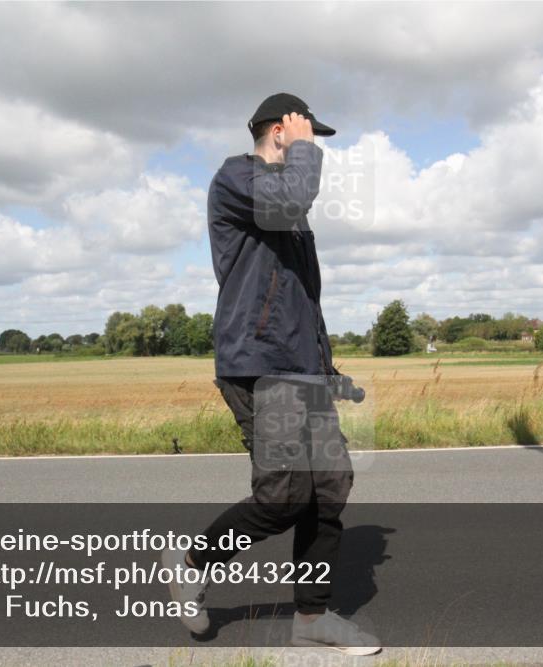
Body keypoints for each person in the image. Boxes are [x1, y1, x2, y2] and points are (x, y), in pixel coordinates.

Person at [163, 93, 380, 655]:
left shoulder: (293, 211)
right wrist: (304, 152)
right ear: (280, 129)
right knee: (284, 496)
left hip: (300, 368)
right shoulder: (236, 178)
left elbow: (305, 299)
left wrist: (326, 367)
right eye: (306, 132)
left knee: (329, 489)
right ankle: (192, 562)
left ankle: (312, 617)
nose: (313, 143)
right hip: (258, 363)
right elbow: (284, 202)